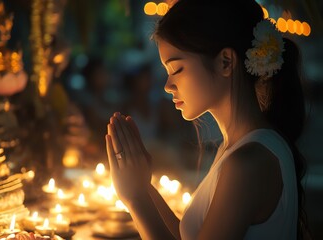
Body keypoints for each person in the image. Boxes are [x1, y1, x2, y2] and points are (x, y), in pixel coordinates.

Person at [105, 0, 310, 239]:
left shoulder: (248, 162)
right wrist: (142, 184)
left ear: (225, 62)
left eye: (176, 70)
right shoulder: (242, 147)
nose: (168, 86)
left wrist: (136, 198)